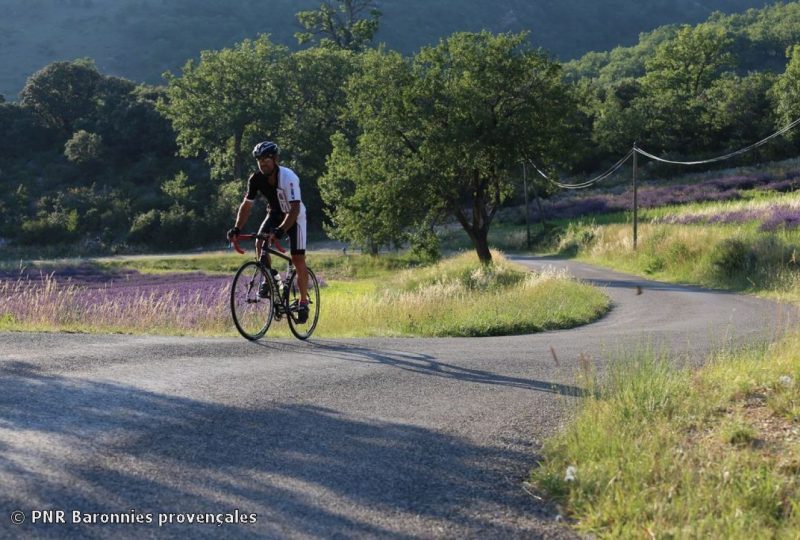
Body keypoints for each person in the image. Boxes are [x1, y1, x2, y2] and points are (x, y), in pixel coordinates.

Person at [227, 141, 309, 323]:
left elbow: (294, 209)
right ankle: (270, 279)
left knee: (298, 259)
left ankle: (303, 301)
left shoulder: (288, 177)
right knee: (259, 242)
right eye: (259, 160)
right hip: (274, 213)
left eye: (266, 159)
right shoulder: (255, 179)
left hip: (295, 217)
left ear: (275, 159)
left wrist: (281, 231)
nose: (263, 163)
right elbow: (246, 206)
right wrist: (237, 228)